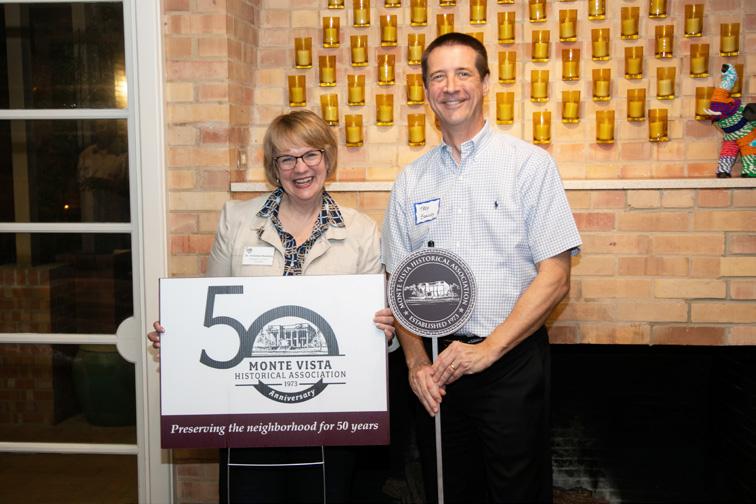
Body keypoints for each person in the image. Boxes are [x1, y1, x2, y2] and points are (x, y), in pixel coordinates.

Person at [149, 110, 395, 503]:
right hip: (247, 412)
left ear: (327, 158)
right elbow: (213, 308)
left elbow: (380, 336)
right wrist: (183, 339)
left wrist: (384, 329)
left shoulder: (361, 230)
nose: (301, 168)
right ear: (273, 167)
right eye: (287, 158)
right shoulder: (236, 220)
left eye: (311, 154)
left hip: (331, 412)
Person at [381, 33, 582, 503]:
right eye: (438, 77)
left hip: (510, 361)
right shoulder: (410, 181)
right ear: (426, 90)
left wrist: (488, 350)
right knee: (449, 491)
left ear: (486, 82)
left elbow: (556, 276)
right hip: (438, 372)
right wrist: (416, 364)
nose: (450, 87)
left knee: (518, 492)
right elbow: (398, 282)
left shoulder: (528, 165)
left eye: (463, 73)